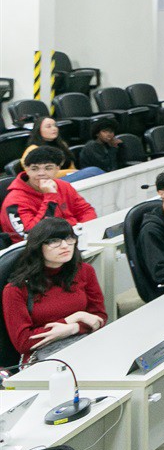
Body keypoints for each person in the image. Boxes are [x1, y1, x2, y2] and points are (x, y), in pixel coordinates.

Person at [2, 217, 105, 363]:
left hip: (84, 345)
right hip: (43, 358)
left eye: (69, 238)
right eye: (54, 241)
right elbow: (24, 343)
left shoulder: (84, 271)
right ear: (38, 247)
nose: (65, 246)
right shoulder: (15, 289)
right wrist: (73, 319)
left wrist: (73, 328)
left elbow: (99, 317)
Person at [2, 147, 97, 244]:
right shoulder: (14, 201)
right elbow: (31, 234)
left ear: (57, 169)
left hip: (70, 239)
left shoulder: (63, 186)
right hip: (35, 248)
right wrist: (50, 197)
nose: (41, 173)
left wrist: (83, 230)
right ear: (26, 169)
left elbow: (85, 210)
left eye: (48, 168)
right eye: (34, 169)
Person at [21, 117, 102, 183]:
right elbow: (34, 174)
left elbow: (70, 165)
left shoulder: (62, 144)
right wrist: (72, 172)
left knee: (92, 173)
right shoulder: (33, 149)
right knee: (93, 171)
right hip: (48, 183)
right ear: (39, 130)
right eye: (49, 126)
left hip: (67, 178)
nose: (54, 129)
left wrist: (73, 172)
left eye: (55, 126)